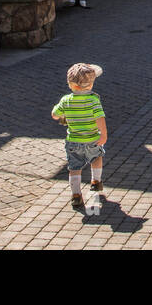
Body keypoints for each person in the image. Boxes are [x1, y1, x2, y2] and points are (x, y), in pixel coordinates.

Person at [50, 62, 108, 211]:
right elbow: (100, 119)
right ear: (91, 85)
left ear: (70, 84)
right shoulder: (93, 100)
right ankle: (96, 180)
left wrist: (63, 114)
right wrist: (103, 135)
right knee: (96, 158)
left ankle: (76, 195)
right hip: (92, 138)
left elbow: (55, 115)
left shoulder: (66, 100)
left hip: (73, 141)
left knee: (74, 168)